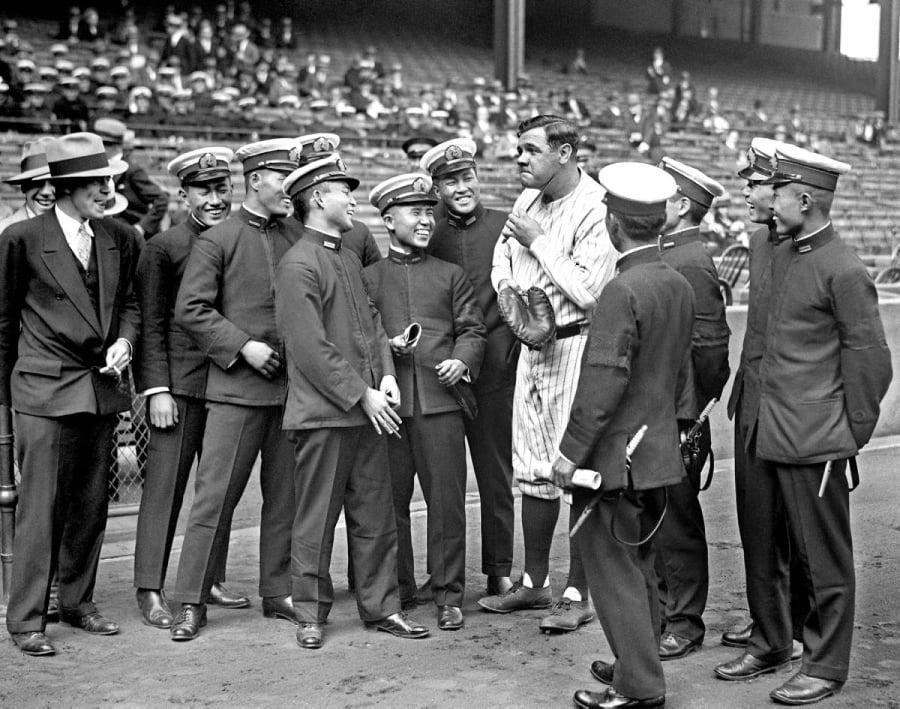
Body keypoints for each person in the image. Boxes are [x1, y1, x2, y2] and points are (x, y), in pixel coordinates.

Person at [714, 144, 892, 705]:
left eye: (778, 190)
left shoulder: (842, 268)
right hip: (765, 425)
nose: (765, 197)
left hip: (813, 438)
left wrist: (846, 435)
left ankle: (827, 663)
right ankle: (772, 640)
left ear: (805, 199)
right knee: (764, 543)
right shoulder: (781, 250)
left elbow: (871, 363)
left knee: (823, 558)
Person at [552, 161, 693, 709]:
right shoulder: (675, 282)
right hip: (656, 451)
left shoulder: (621, 289)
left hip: (615, 457)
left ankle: (639, 687)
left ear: (614, 224)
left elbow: (602, 385)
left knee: (613, 574)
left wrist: (568, 454)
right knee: (643, 567)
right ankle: (638, 662)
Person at [276, 154, 430, 650]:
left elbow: (371, 327)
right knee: (315, 520)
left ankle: (381, 607)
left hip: (366, 411)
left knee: (376, 515)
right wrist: (361, 393)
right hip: (326, 415)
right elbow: (309, 348)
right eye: (344, 190)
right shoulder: (298, 262)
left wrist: (385, 377)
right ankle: (309, 614)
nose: (352, 198)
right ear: (319, 198)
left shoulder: (344, 255)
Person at [1, 132, 140, 656]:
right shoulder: (22, 238)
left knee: (89, 504)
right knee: (40, 507)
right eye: (95, 182)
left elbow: (129, 301)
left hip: (100, 389)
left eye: (106, 181)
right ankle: (27, 620)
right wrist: (3, 402)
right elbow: (2, 320)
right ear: (67, 187)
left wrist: (125, 340)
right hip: (44, 389)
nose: (106, 190)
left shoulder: (118, 236)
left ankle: (78, 601)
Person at [483, 115, 617, 634]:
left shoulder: (596, 206)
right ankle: (535, 583)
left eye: (529, 149)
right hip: (532, 347)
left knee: (573, 467)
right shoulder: (525, 201)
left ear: (564, 153)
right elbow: (499, 260)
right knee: (531, 466)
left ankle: (579, 591)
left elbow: (588, 291)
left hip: (577, 343)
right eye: (518, 149)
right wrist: (512, 296)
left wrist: (540, 244)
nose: (519, 158)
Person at [167, 139, 302, 641]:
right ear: (255, 182)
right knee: (214, 499)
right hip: (236, 392)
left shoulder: (297, 236)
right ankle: (191, 601)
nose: (290, 189)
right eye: (282, 179)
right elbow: (192, 309)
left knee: (285, 497)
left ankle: (278, 591)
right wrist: (243, 347)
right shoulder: (218, 238)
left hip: (291, 394)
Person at [132, 147, 251, 629]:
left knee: (216, 490)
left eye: (223, 188)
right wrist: (156, 388)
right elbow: (151, 323)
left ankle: (207, 580)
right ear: (183, 194)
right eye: (204, 190)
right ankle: (150, 588)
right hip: (178, 388)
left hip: (227, 384)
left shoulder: (238, 241)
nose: (216, 199)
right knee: (165, 490)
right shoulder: (164, 248)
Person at [364, 171, 486, 627]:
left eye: (427, 212)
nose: (425, 221)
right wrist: (385, 359)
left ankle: (449, 594)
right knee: (388, 503)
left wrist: (461, 359)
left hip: (441, 405)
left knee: (447, 502)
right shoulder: (368, 277)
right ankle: (397, 586)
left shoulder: (450, 275)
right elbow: (359, 337)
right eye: (414, 212)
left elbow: (473, 329)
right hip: (388, 412)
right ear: (389, 219)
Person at [722, 137, 807, 655]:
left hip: (788, 407)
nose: (747, 191)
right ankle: (771, 621)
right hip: (753, 399)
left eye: (754, 183)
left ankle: (784, 631)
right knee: (758, 524)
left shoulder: (803, 246)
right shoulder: (758, 241)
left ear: (780, 191)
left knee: (788, 527)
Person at [421, 137, 517, 598]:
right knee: (444, 480)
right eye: (450, 181)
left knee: (496, 474)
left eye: (467, 177)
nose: (461, 188)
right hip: (442, 374)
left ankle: (499, 567)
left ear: (478, 178)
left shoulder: (506, 226)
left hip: (495, 371)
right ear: (436, 187)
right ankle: (442, 571)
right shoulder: (426, 229)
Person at [654, 156, 731, 661]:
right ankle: (664, 614)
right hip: (659, 412)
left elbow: (711, 351)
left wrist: (692, 413)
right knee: (658, 519)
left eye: (661, 195)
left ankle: (684, 622)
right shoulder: (666, 254)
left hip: (678, 416)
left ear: (682, 206)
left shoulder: (693, 261)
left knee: (677, 522)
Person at [293, 132, 382, 266]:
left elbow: (374, 281)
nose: (320, 172)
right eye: (312, 170)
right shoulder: (280, 230)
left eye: (327, 166)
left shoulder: (359, 232)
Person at [93, 118, 168, 238]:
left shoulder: (131, 170)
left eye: (105, 144)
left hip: (129, 232)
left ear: (116, 146)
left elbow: (161, 199)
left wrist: (141, 227)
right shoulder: (98, 167)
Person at [0, 138, 56, 234]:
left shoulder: (76, 231)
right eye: (37, 182)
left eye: (54, 182)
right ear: (24, 186)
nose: (46, 192)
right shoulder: (5, 233)